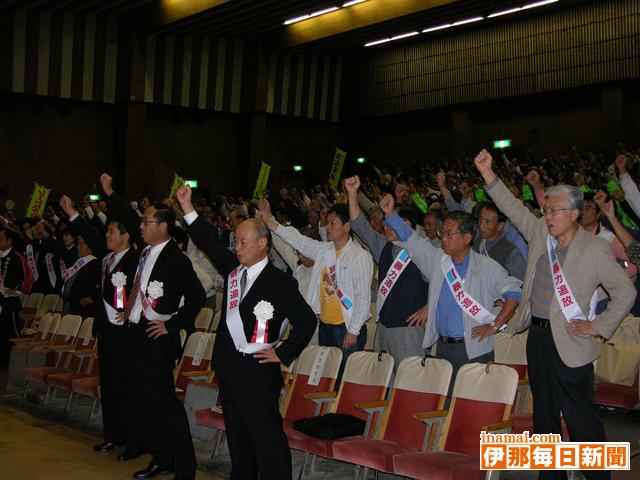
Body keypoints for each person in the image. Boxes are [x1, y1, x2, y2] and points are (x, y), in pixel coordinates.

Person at [475, 148, 636, 480]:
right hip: (538, 337)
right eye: (546, 209)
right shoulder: (539, 234)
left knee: (581, 420)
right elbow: (512, 208)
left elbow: (626, 292)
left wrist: (598, 326)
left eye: (554, 210)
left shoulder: (595, 249)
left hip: (573, 343)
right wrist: (489, 175)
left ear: (575, 213)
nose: (547, 215)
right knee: (543, 417)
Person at [176, 185, 315, 480]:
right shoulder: (233, 271)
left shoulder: (280, 282)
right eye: (236, 241)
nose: (236, 247)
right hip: (229, 369)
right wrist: (188, 209)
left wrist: (282, 352)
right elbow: (210, 243)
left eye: (243, 241)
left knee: (267, 441)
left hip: (258, 372)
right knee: (238, 442)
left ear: (263, 243)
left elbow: (306, 321)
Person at [382, 195, 521, 402]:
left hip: (474, 348)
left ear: (467, 237)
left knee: (472, 405)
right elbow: (412, 241)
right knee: (445, 404)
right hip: (444, 348)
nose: (443, 238)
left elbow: (514, 293)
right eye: (442, 233)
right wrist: (390, 215)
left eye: (449, 234)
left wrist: (495, 324)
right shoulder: (438, 260)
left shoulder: (486, 267)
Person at [125, 202, 205, 480]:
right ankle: (162, 457)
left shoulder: (176, 259)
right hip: (136, 333)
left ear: (163, 226)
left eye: (147, 222)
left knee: (164, 404)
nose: (141, 226)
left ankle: (185, 466)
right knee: (145, 402)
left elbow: (196, 297)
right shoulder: (144, 254)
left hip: (157, 339)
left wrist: (170, 324)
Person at [259, 200, 373, 377]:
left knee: (343, 378)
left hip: (346, 327)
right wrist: (271, 222)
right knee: (327, 376)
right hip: (326, 326)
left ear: (347, 226)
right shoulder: (324, 250)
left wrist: (354, 331)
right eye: (328, 223)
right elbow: (299, 241)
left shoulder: (359, 256)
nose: (328, 227)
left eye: (333, 223)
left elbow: (364, 297)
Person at [345, 175, 429, 366]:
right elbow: (360, 225)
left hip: (409, 329)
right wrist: (352, 194)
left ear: (407, 227)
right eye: (386, 223)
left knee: (409, 383)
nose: (385, 226)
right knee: (382, 385)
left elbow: (441, 281)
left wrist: (429, 307)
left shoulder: (422, 250)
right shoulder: (383, 245)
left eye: (392, 224)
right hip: (384, 326)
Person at [474, 202, 527, 281]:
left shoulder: (510, 252)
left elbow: (521, 283)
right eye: (480, 219)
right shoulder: (478, 238)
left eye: (487, 221)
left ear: (500, 225)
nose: (481, 225)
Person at [0, 228, 27, 366]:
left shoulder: (17, 257)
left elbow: (26, 278)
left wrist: (15, 290)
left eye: (1, 238)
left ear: (9, 241)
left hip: (10, 300)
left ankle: (16, 362)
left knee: (11, 330)